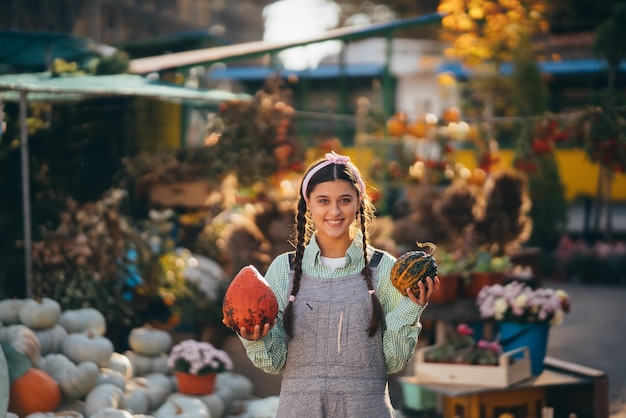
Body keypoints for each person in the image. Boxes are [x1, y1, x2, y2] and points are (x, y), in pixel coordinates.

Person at [229, 151, 440, 417]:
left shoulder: (384, 268)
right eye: (323, 201)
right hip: (299, 410)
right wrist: (256, 340)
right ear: (308, 204)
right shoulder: (285, 269)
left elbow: (394, 361)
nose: (334, 211)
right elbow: (275, 362)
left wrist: (411, 307)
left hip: (366, 409)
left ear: (358, 203)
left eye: (344, 200)